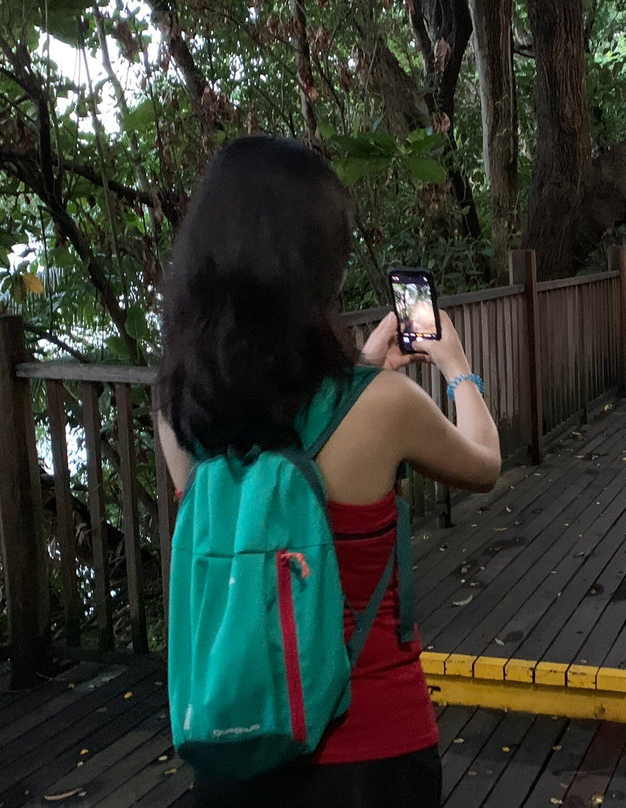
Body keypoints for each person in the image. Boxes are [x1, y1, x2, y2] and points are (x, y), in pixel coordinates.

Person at [156, 136, 500, 808]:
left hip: (233, 749)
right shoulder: (382, 406)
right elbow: (484, 464)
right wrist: (458, 369)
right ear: (315, 267)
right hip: (370, 754)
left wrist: (365, 367)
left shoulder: (174, 407)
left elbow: (275, 426)